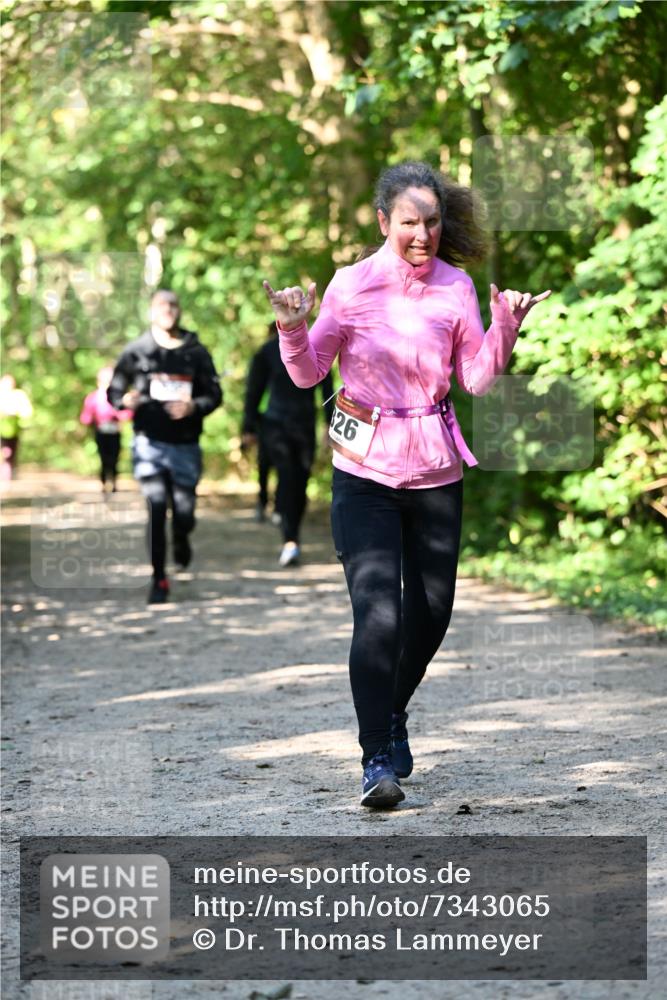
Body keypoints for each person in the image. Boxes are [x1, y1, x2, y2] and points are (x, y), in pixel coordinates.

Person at [263, 160, 551, 808]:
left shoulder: (455, 287)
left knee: (431, 613)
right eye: (409, 223)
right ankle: (376, 762)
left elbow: (475, 379)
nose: (422, 234)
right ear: (382, 220)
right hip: (362, 472)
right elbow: (309, 373)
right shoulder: (349, 284)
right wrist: (290, 326)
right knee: (378, 613)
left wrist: (506, 325)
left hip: (434, 469)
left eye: (431, 222)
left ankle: (390, 713)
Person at [108, 289, 222, 604]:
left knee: (183, 514)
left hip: (185, 445)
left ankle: (182, 538)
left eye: (173, 304)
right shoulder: (136, 351)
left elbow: (214, 395)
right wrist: (124, 400)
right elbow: (114, 390)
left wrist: (193, 406)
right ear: (151, 312)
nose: (168, 310)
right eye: (162, 305)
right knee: (156, 506)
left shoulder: (196, 351)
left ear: (180, 311)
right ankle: (158, 579)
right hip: (149, 443)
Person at [242, 321, 334, 567]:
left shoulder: (316, 349)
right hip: (275, 425)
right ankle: (290, 540)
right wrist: (248, 427)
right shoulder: (267, 352)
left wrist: (329, 424)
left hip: (305, 426)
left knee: (301, 482)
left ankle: (292, 530)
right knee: (286, 477)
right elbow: (254, 391)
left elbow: (327, 389)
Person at [79, 366, 132, 493]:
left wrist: (118, 415)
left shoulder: (118, 397)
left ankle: (113, 482)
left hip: (115, 431)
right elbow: (86, 417)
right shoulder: (93, 398)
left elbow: (127, 414)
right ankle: (104, 483)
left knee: (114, 458)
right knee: (104, 458)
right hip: (101, 431)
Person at [0, 374, 33, 481]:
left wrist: (15, 413)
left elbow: (27, 411)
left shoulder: (19, 395)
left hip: (13, 430)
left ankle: (8, 472)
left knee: (10, 452)